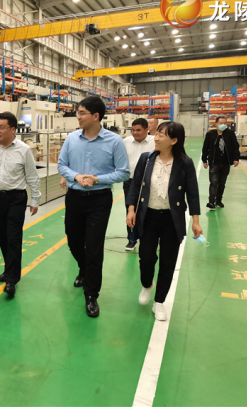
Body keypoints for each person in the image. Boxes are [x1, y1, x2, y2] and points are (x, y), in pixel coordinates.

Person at [58, 97, 130, 318]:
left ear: (96, 116)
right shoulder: (72, 139)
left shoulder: (114, 141)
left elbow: (124, 172)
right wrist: (77, 176)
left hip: (99, 199)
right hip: (75, 198)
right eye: (78, 113)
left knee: (94, 247)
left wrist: (97, 179)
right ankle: (84, 269)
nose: (77, 117)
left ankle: (91, 295)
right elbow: (62, 165)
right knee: (73, 241)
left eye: (82, 113)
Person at [126, 121, 202, 322]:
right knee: (146, 258)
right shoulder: (146, 159)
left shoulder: (185, 163)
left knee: (168, 262)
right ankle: (147, 284)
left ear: (174, 140)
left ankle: (159, 302)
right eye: (157, 133)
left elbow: (192, 194)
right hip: (148, 216)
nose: (156, 138)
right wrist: (131, 209)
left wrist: (196, 221)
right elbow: (135, 186)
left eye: (161, 135)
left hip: (171, 219)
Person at [0, 111, 41, 296]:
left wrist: (35, 199)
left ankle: (12, 279)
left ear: (13, 129)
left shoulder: (24, 150)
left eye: (2, 127)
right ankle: (9, 269)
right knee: (3, 236)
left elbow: (32, 176)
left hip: (16, 198)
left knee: (14, 237)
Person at [123, 118, 155, 251]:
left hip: (149, 182)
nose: (135, 133)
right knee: (130, 209)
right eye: (133, 130)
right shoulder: (126, 142)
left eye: (138, 130)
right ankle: (132, 239)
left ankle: (148, 238)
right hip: (130, 182)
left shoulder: (154, 141)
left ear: (147, 130)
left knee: (148, 210)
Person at [202, 116, 240, 210]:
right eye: (221, 123)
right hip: (214, 162)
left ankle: (218, 200)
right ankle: (211, 202)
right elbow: (205, 147)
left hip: (226, 163)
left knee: (222, 183)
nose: (223, 125)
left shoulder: (230, 134)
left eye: (225, 123)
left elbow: (235, 146)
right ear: (216, 124)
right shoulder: (210, 134)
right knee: (214, 182)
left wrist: (236, 158)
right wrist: (204, 160)